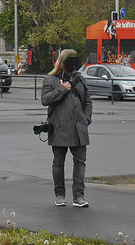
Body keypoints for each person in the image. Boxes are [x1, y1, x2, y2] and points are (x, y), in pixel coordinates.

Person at [41, 48, 93, 208]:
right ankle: (60, 194)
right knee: (58, 163)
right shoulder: (51, 79)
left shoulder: (80, 78)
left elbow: (88, 101)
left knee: (80, 162)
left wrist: (86, 119)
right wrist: (63, 88)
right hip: (59, 127)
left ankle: (79, 196)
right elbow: (45, 99)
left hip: (79, 128)